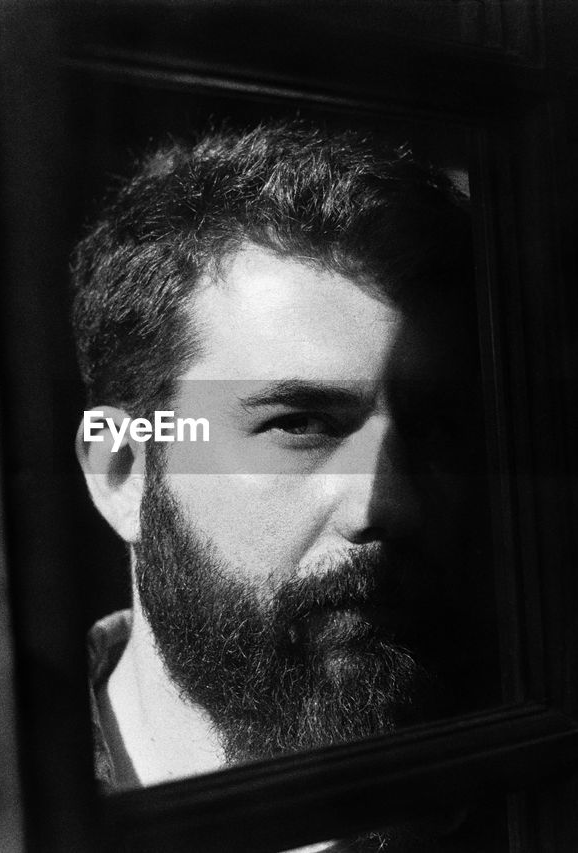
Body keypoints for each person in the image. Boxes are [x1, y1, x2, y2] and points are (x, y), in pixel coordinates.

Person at [71, 121, 482, 796]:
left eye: (435, 428)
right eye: (298, 424)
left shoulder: (537, 792)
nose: (387, 501)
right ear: (123, 471)